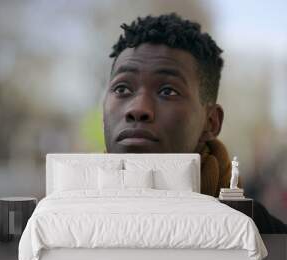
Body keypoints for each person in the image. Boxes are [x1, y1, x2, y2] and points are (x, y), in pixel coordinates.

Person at [102, 13, 286, 233]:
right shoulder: (60, 230)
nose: (138, 109)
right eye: (122, 89)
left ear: (211, 122)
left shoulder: (263, 238)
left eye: (167, 91)